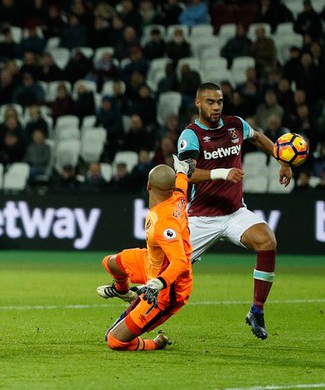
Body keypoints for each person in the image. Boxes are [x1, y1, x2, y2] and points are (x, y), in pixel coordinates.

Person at [176, 82, 292, 340]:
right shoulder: (191, 135)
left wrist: (282, 160)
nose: (216, 107)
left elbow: (259, 137)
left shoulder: (235, 125)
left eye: (219, 102)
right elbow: (186, 173)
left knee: (267, 240)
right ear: (198, 103)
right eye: (210, 102)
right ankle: (128, 317)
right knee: (165, 278)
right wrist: (221, 173)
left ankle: (257, 311)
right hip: (200, 218)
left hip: (234, 213)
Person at [96, 157, 194, 351]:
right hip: (151, 261)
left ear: (148, 185)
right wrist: (182, 171)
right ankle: (123, 291)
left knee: (115, 340)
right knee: (111, 263)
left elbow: (181, 262)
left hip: (166, 289)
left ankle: (155, 343)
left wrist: (157, 283)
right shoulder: (178, 196)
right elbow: (182, 182)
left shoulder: (164, 223)